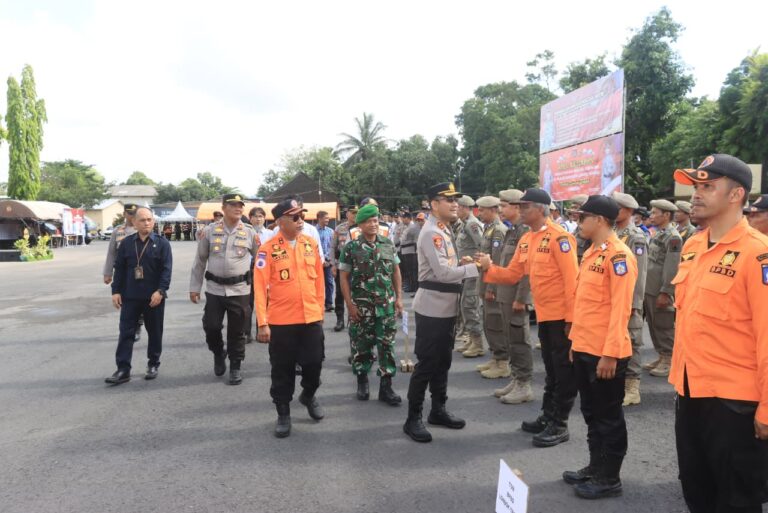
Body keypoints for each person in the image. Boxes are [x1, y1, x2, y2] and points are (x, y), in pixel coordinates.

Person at [670, 154, 768, 512]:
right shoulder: (694, 246)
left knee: (736, 502)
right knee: (697, 492)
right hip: (690, 391)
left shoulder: (758, 254)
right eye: (696, 186)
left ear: (735, 195)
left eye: (708, 186)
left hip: (734, 405)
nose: (696, 194)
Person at [478, 188, 579, 448]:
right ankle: (548, 415)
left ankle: (560, 424)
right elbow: (512, 275)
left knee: (563, 371)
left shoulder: (560, 238)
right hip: (544, 315)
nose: (520, 210)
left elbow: (572, 282)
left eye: (525, 206)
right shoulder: (527, 239)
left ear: (541, 209)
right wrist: (489, 268)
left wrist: (571, 320)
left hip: (561, 317)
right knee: (551, 370)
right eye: (519, 206)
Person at [562, 195, 637, 500]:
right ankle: (596, 466)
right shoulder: (592, 253)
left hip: (606, 352)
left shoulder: (619, 256)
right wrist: (575, 343)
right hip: (585, 347)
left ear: (601, 221)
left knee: (609, 416)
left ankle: (610, 477)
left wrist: (610, 353)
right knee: (591, 413)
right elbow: (586, 305)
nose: (579, 223)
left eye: (583, 218)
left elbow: (621, 310)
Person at [403, 182, 479, 443]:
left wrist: (464, 263)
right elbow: (444, 274)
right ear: (434, 205)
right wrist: (477, 267)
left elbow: (446, 265)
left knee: (443, 362)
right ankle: (413, 418)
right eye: (448, 200)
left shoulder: (443, 230)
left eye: (456, 199)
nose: (454, 204)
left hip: (446, 307)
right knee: (426, 364)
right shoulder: (432, 233)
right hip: (433, 308)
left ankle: (438, 410)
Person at [253, 199, 326, 438]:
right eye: (294, 217)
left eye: (301, 216)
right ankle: (283, 412)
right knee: (282, 370)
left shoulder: (310, 244)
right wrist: (262, 322)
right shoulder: (267, 249)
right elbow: (260, 285)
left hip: (310, 316)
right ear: (280, 221)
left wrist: (320, 309)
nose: (300, 221)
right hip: (282, 321)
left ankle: (308, 394)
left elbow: (319, 282)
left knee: (314, 363)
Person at [189, 194, 258, 385]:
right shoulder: (210, 231)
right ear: (224, 207)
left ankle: (235, 366)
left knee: (238, 331)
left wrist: (263, 287)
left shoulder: (250, 232)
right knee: (211, 326)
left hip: (240, 290)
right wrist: (194, 287)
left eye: (240, 205)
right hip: (215, 289)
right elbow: (200, 260)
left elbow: (261, 261)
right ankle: (219, 353)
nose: (238, 208)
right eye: (233, 205)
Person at [339, 203, 403, 405]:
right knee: (361, 345)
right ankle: (362, 381)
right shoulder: (351, 248)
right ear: (360, 225)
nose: (373, 224)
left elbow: (395, 271)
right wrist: (349, 304)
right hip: (362, 307)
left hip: (386, 306)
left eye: (375, 220)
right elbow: (343, 277)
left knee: (387, 346)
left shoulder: (387, 244)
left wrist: (399, 298)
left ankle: (386, 387)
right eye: (368, 221)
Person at [105, 207, 172, 385]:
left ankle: (153, 364)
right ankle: (123, 369)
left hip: (154, 298)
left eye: (149, 219)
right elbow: (118, 269)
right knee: (126, 333)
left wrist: (161, 291)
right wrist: (116, 291)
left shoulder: (162, 243)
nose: (146, 223)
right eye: (142, 220)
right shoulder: (127, 243)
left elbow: (166, 270)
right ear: (134, 222)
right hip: (130, 296)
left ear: (154, 221)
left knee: (155, 332)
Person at [493, 189, 533, 403]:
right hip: (505, 292)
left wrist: (522, 297)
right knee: (510, 338)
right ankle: (517, 377)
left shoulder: (524, 232)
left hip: (516, 295)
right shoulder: (512, 230)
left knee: (519, 339)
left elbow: (527, 270)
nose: (501, 209)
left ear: (516, 207)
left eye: (504, 205)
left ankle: (524, 384)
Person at [612, 192, 648, 406]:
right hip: (615, 297)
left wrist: (634, 304)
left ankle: (632, 387)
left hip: (630, 299)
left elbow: (641, 273)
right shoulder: (615, 232)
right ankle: (619, 381)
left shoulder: (636, 237)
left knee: (632, 341)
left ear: (627, 211)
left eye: (616, 207)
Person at [642, 199, 682, 378]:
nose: (651, 215)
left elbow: (672, 267)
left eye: (654, 212)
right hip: (651, 287)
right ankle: (661, 355)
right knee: (653, 324)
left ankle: (669, 358)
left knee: (664, 325)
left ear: (666, 215)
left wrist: (666, 291)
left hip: (660, 289)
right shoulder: (659, 233)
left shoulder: (673, 237)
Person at [468, 196, 507, 363]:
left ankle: (502, 360)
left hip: (493, 284)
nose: (479, 213)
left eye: (482, 210)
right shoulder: (489, 228)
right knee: (488, 321)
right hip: (485, 280)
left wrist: (491, 287)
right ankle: (496, 357)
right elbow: (488, 257)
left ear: (493, 210)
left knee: (495, 323)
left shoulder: (498, 230)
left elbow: (497, 261)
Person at [103, 203, 144, 342]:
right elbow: (111, 253)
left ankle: (137, 325)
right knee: (125, 300)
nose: (131, 216)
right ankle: (129, 327)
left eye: (134, 213)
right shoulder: (118, 231)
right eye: (129, 213)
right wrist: (107, 272)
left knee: (139, 299)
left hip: (139, 273)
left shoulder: (142, 229)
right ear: (124, 214)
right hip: (123, 273)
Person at [454, 196, 484, 354]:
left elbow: (482, 246)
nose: (455, 209)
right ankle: (472, 339)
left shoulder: (472, 224)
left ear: (465, 208)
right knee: (465, 305)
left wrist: (473, 261)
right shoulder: (464, 224)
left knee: (470, 305)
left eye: (458, 207)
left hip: (473, 271)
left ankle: (478, 343)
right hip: (467, 271)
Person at [331, 206, 357, 332]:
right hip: (341, 265)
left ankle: (354, 319)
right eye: (352, 213)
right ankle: (340, 319)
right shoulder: (339, 228)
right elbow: (333, 247)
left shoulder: (360, 228)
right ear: (347, 214)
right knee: (340, 293)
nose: (354, 215)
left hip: (356, 266)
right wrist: (333, 265)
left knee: (356, 293)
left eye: (356, 213)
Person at [316, 211, 335, 312]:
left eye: (328, 218)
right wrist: (321, 260)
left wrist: (328, 260)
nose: (327, 220)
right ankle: (316, 303)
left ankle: (329, 303)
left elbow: (332, 247)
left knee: (329, 282)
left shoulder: (331, 231)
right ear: (319, 218)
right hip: (316, 262)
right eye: (325, 218)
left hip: (328, 262)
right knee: (316, 283)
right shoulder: (313, 231)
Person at [399, 212, 420, 294]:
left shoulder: (413, 227)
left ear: (407, 218)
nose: (402, 220)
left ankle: (414, 287)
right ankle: (411, 287)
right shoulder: (407, 226)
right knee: (408, 271)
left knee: (412, 271)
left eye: (403, 218)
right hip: (405, 251)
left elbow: (415, 241)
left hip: (410, 251)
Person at [569, 194, 591, 263]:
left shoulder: (589, 231)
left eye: (575, 208)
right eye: (572, 208)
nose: (572, 211)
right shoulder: (577, 229)